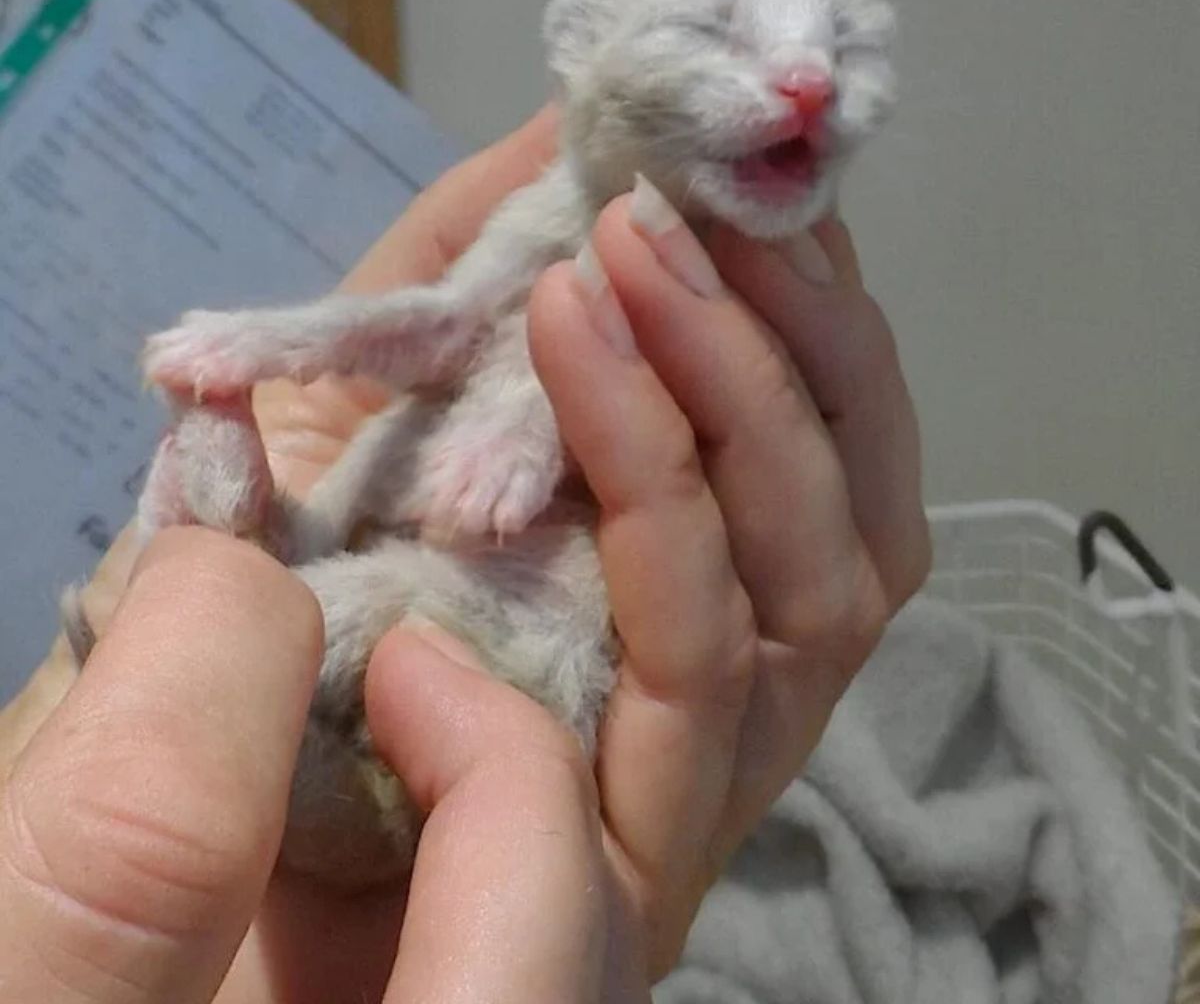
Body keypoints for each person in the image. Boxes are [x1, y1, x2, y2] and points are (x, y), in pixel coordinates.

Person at [0, 107, 929, 1003]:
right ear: (586, 44)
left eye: (845, 45)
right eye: (712, 25)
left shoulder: (707, 280)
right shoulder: (561, 204)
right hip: (408, 621)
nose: (808, 79)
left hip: (507, 626)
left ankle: (241, 586)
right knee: (362, 530)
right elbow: (438, 324)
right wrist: (276, 346)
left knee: (431, 608)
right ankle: (245, 574)